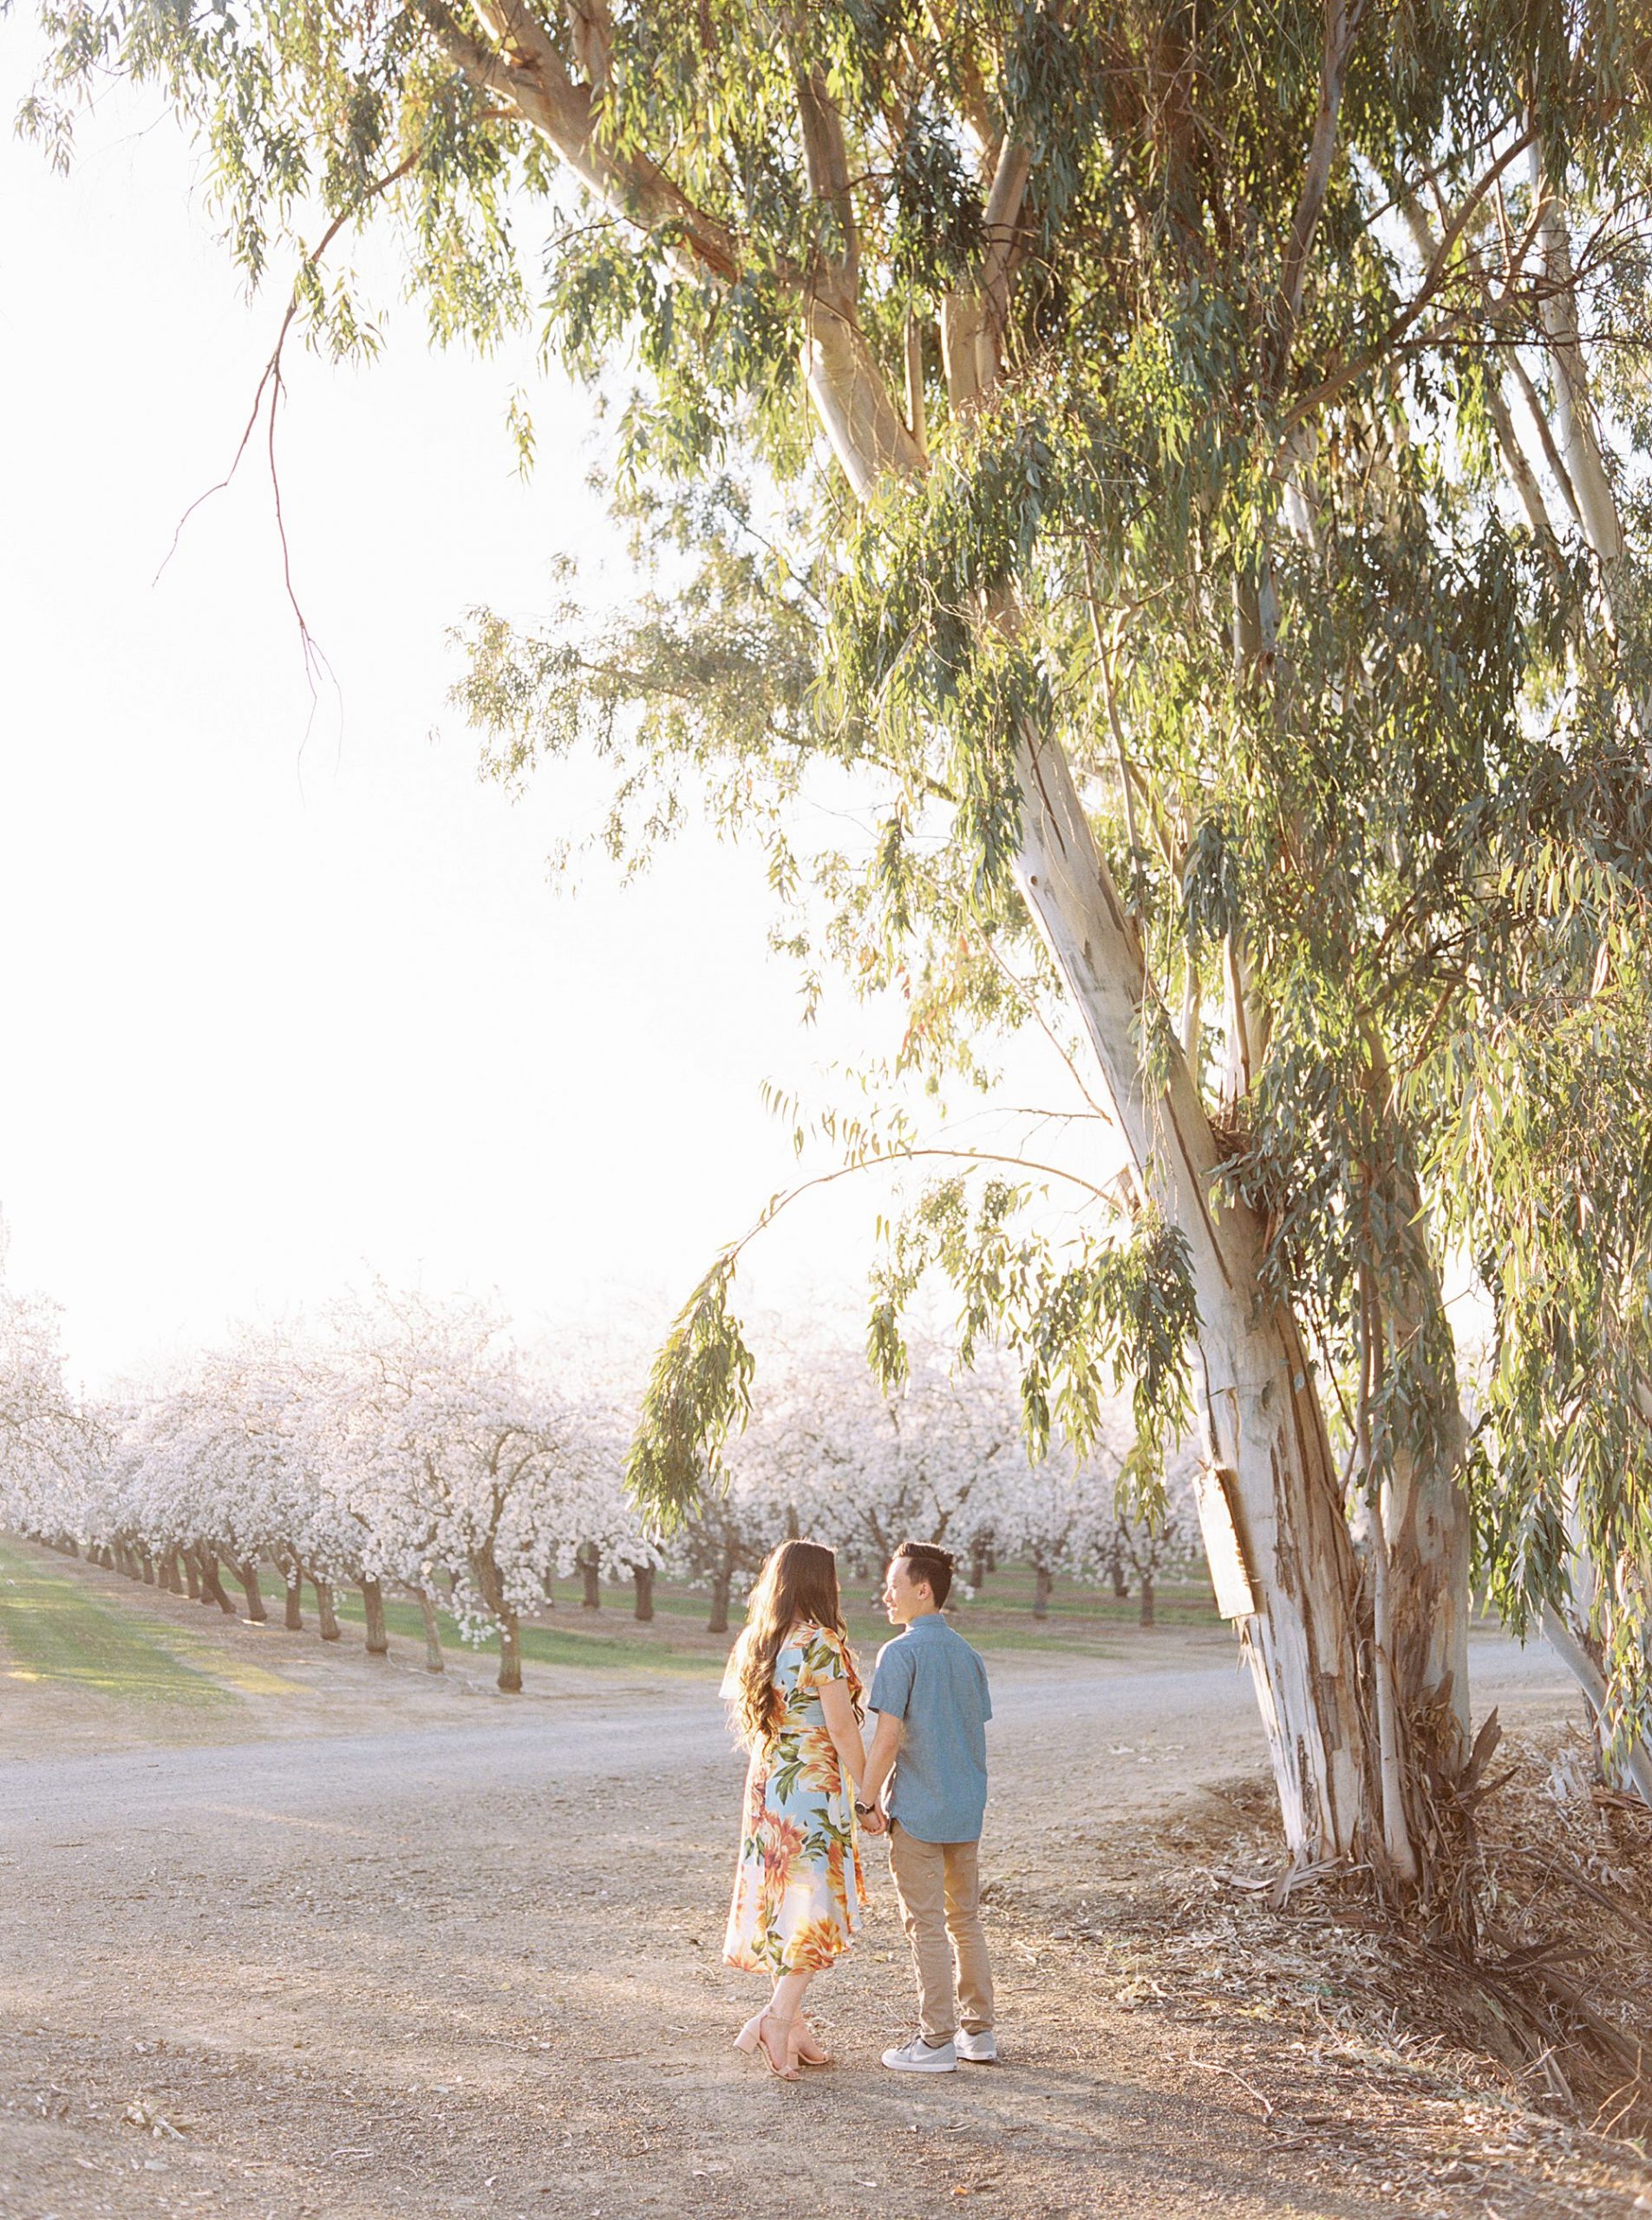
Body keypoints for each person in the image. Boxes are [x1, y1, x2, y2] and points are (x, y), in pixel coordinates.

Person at [721, 1538, 885, 2078]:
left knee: (787, 1896)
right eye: (832, 1578)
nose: (838, 1588)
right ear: (818, 1582)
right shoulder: (821, 1643)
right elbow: (841, 1727)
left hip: (768, 1781)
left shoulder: (757, 1642)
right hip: (811, 1782)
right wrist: (868, 1797)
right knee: (814, 1901)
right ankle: (777, 2015)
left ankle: (790, 2024)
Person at [860, 1539, 996, 2073]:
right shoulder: (969, 1654)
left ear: (922, 1589)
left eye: (893, 1586)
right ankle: (978, 2033)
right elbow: (969, 1730)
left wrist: (865, 1800)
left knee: (926, 1924)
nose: (885, 1595)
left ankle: (936, 2040)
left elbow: (888, 1737)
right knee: (965, 1920)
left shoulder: (900, 1652)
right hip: (966, 1809)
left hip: (917, 1810)